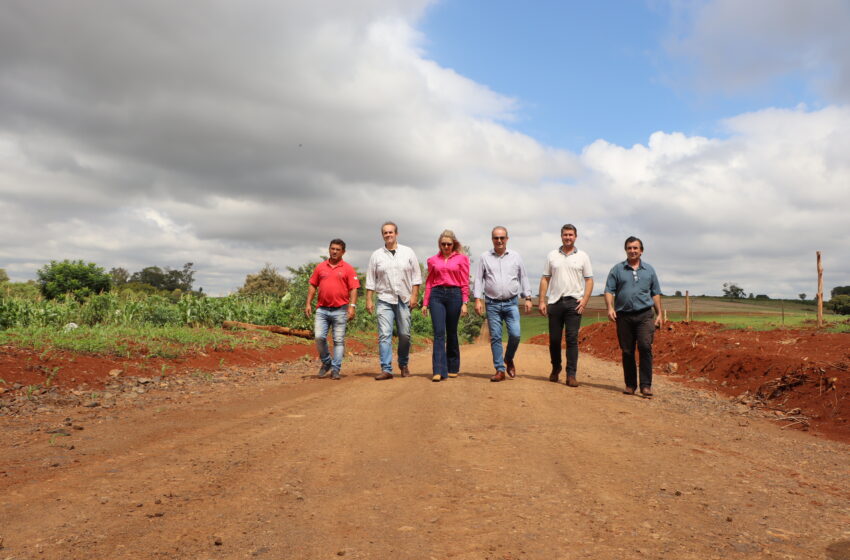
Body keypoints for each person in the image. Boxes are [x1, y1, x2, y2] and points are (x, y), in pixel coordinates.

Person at [604, 236, 663, 397]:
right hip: (623, 316)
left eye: (635, 248)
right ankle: (630, 385)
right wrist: (610, 308)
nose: (632, 251)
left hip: (645, 315)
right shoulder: (617, 269)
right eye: (629, 248)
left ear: (641, 251)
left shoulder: (649, 270)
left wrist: (659, 314)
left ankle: (646, 385)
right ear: (626, 250)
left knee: (645, 347)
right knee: (627, 351)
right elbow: (609, 290)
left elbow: (656, 293)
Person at [473, 226, 533, 382]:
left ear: (507, 239)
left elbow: (524, 277)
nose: (499, 241)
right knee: (496, 337)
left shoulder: (516, 257)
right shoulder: (484, 257)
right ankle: (499, 369)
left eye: (502, 238)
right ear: (492, 239)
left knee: (515, 334)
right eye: (495, 238)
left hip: (511, 302)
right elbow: (479, 279)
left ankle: (508, 358)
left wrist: (527, 297)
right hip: (492, 303)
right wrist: (477, 299)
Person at [538, 224, 594, 387]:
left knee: (572, 339)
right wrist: (542, 300)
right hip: (555, 302)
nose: (568, 237)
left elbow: (589, 280)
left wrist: (584, 300)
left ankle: (571, 374)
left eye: (571, 235)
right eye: (565, 235)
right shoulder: (552, 255)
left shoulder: (583, 256)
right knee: (554, 340)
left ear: (575, 237)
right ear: (561, 236)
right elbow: (545, 279)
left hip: (574, 303)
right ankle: (556, 367)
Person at [365, 221, 422, 380]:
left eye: (391, 232)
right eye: (385, 233)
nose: (388, 235)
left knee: (405, 334)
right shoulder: (376, 255)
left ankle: (403, 364)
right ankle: (386, 369)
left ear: (396, 234)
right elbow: (371, 279)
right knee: (384, 334)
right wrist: (369, 299)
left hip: (404, 298)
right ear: (382, 235)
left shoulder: (408, 252)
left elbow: (416, 277)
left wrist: (414, 296)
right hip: (384, 299)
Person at [305, 239, 360, 380]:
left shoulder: (348, 268)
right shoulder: (320, 267)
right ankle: (327, 362)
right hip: (322, 310)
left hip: (340, 310)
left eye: (338, 249)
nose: (334, 251)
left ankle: (336, 369)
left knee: (338, 341)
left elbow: (354, 289)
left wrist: (352, 307)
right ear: (329, 249)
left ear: (343, 252)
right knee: (319, 337)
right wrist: (308, 304)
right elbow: (312, 285)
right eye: (332, 248)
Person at [422, 230, 470, 382]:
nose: (446, 247)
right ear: (439, 244)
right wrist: (425, 303)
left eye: (449, 244)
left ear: (453, 244)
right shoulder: (432, 260)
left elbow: (464, 282)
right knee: (439, 332)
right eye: (443, 244)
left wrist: (465, 302)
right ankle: (438, 370)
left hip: (454, 295)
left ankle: (453, 366)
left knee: (451, 331)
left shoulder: (462, 259)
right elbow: (429, 282)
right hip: (437, 296)